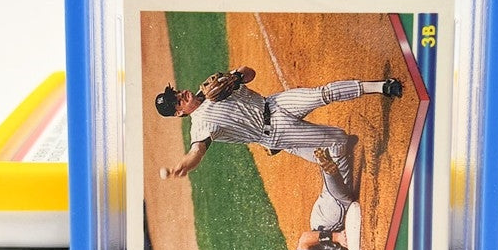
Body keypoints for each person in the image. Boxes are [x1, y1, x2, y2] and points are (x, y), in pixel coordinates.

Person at [155, 65, 402, 184]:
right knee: (339, 139)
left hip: (275, 103)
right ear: (179, 113)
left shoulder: (210, 86)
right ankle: (341, 184)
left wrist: (236, 77)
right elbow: (197, 152)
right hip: (275, 132)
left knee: (322, 93)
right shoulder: (200, 125)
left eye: (176, 92)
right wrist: (182, 165)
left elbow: (250, 72)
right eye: (177, 101)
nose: (181, 95)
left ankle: (382, 86)